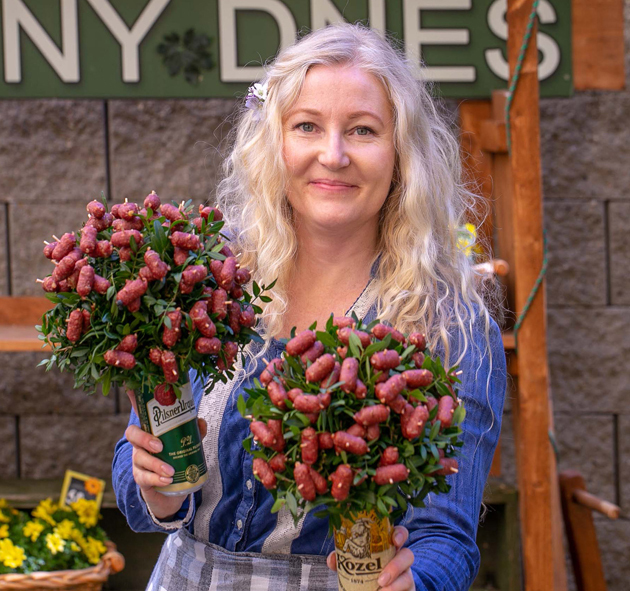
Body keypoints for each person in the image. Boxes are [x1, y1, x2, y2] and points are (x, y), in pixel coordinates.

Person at [112, 22, 507, 591]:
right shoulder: (209, 284)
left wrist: (414, 580)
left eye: (363, 130)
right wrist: (155, 486)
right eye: (307, 126)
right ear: (274, 142)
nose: (333, 154)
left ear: (402, 153)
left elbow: (446, 536)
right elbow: (137, 471)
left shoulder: (451, 325)